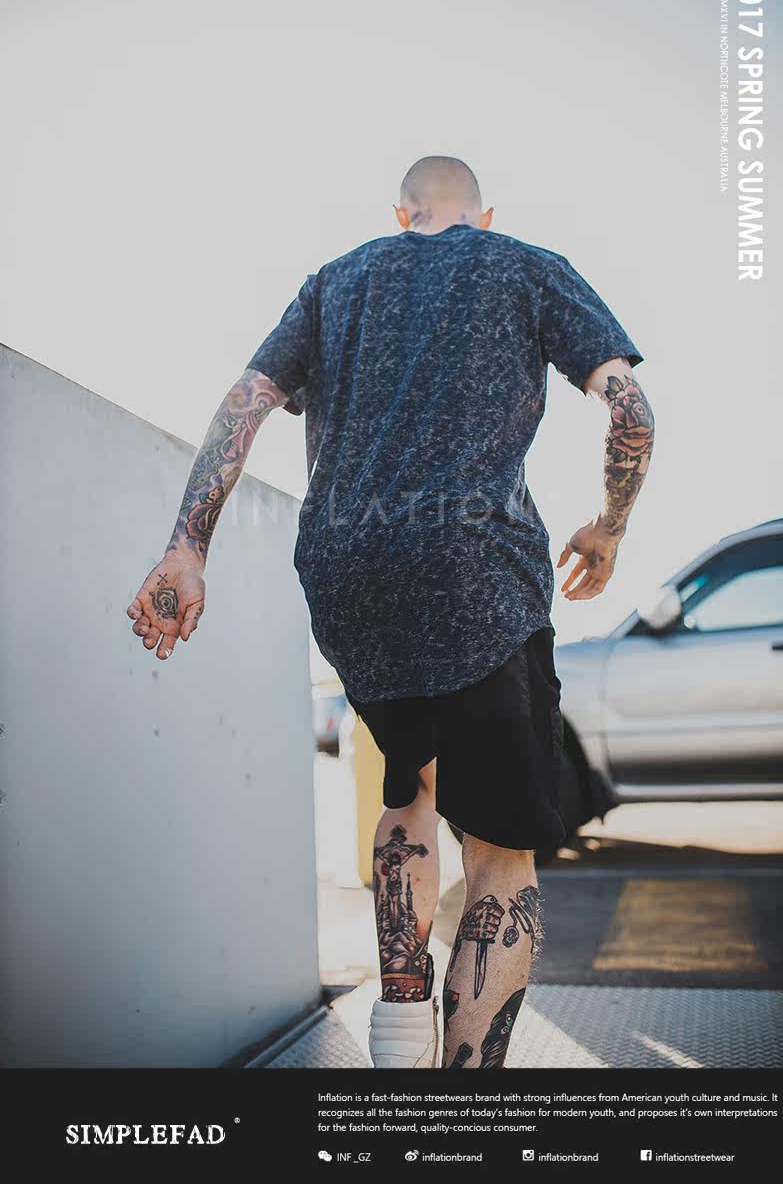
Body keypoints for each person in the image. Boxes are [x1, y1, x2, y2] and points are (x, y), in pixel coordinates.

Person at [126, 156, 655, 1069]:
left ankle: (400, 1025)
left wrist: (187, 547)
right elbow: (631, 411)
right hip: (479, 576)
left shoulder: (336, 282)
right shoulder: (525, 265)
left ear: (401, 214)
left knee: (410, 792)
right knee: (500, 855)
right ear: (483, 214)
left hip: (349, 575)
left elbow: (245, 406)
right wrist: (608, 528)